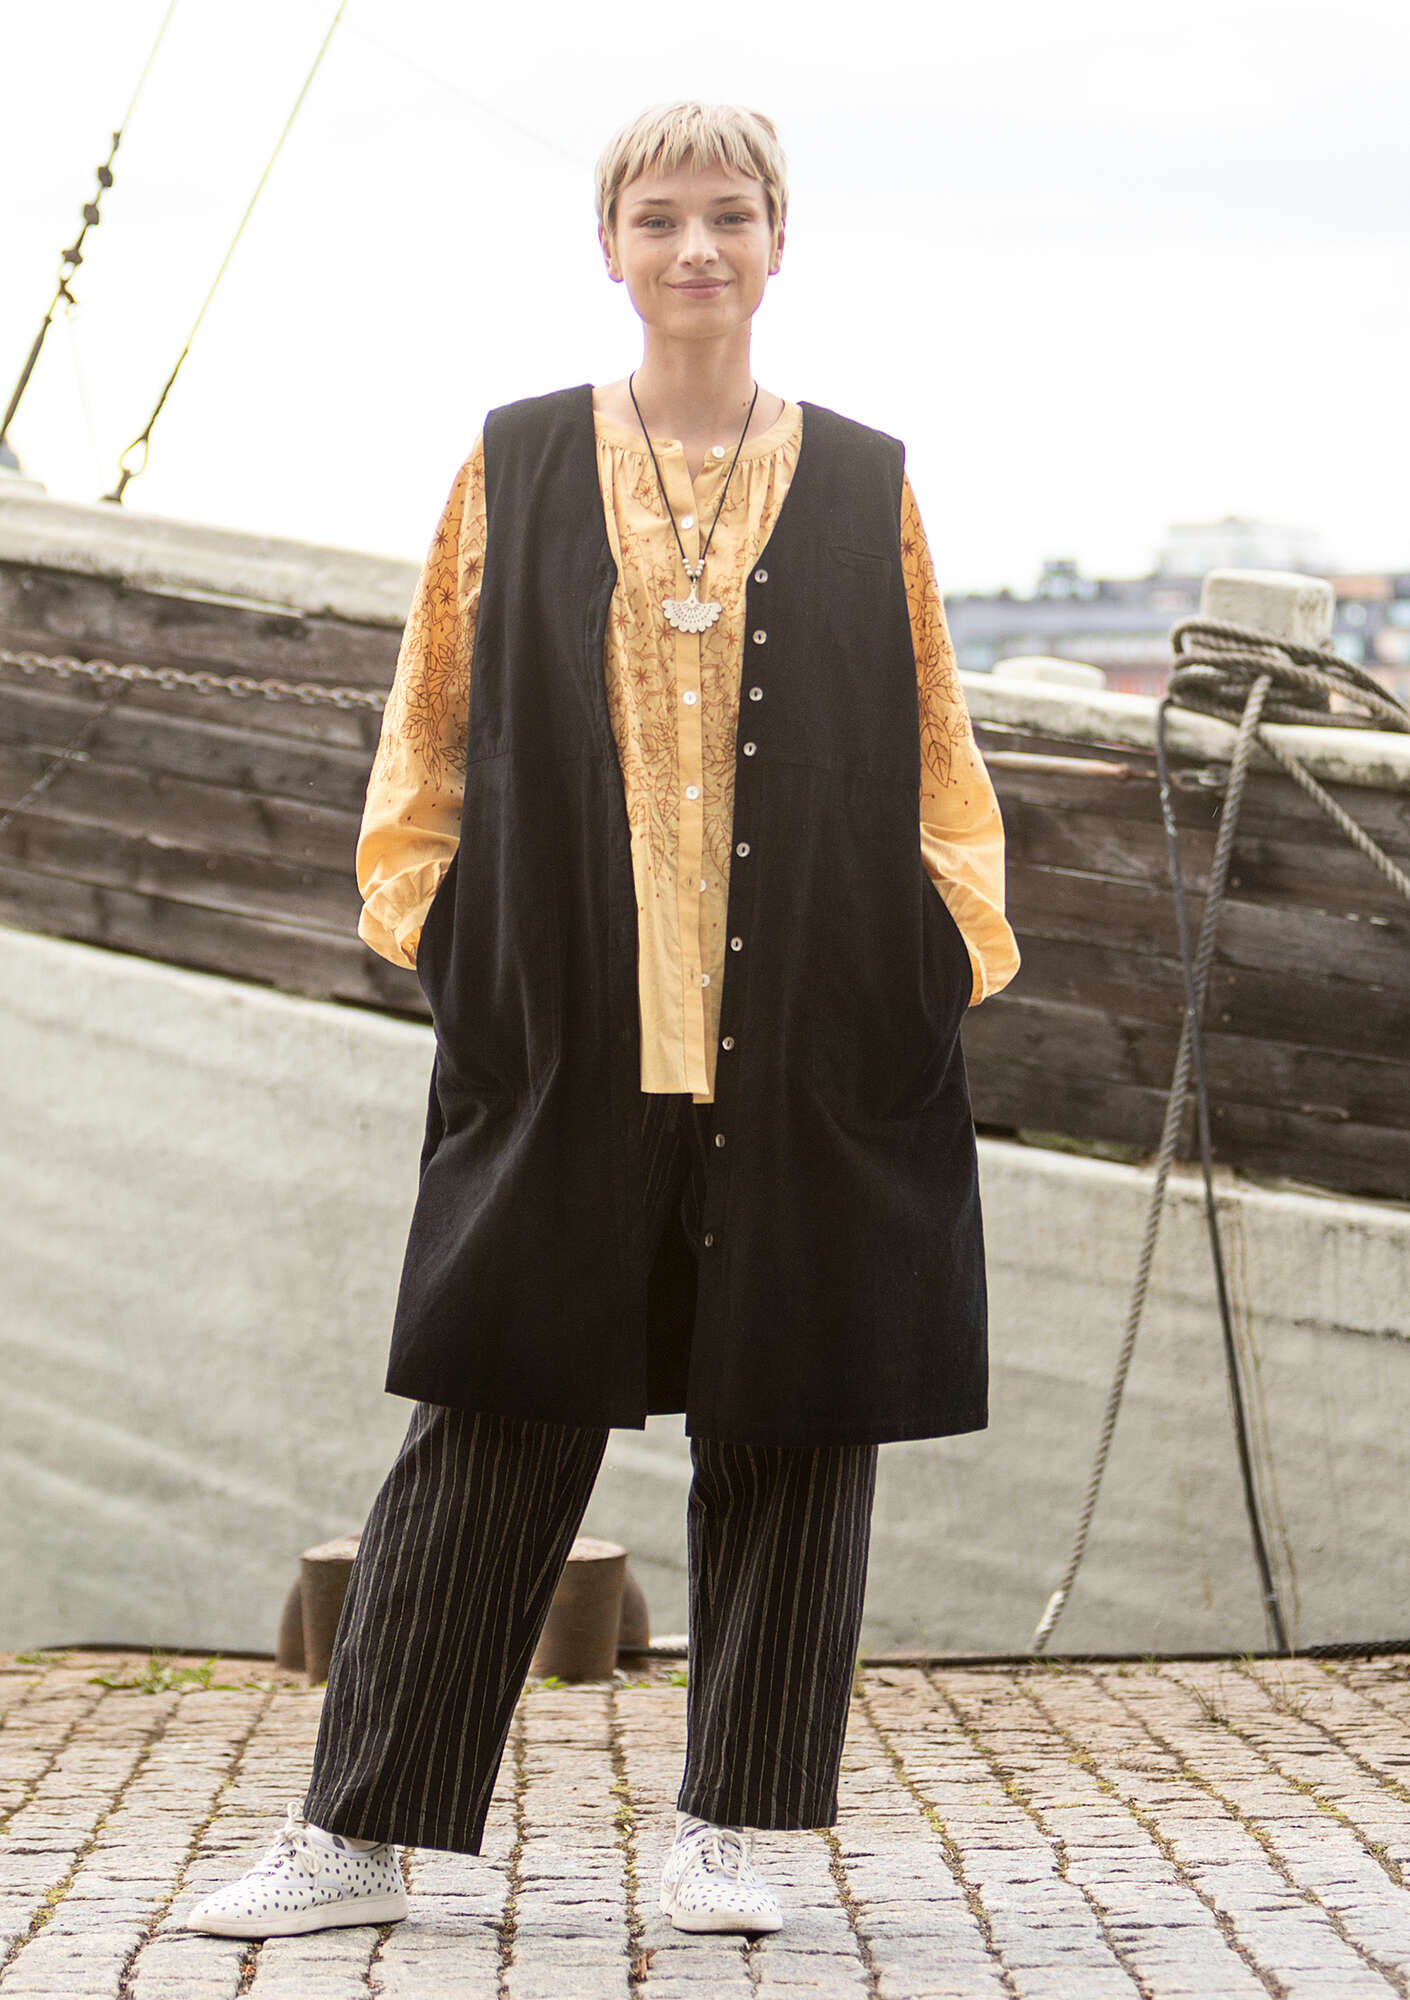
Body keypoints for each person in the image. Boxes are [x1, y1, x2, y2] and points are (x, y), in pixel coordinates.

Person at [186, 98, 1019, 1945]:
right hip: (566, 1033)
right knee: (491, 1413)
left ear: (778, 239)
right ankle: (357, 1834)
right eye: (659, 217)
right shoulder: (516, 460)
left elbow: (940, 754)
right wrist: (451, 942)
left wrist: (935, 956)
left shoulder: (865, 479)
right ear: (611, 246)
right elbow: (425, 729)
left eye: (729, 214)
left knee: (793, 1424)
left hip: (805, 1039)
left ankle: (735, 1830)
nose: (695, 248)